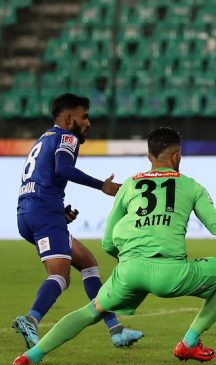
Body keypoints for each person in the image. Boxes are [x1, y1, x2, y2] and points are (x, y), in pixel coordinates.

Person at [12, 127, 216, 365]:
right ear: (177, 156)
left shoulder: (130, 185)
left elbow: (108, 242)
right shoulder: (191, 186)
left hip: (129, 272)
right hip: (172, 274)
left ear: (148, 155)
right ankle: (189, 342)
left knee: (91, 311)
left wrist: (130, 261)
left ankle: (31, 356)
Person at [14, 93, 143, 349]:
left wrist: (59, 213)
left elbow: (43, 178)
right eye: (84, 117)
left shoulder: (44, 138)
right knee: (60, 276)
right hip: (44, 215)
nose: (88, 123)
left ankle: (116, 330)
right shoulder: (67, 137)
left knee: (88, 263)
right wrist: (102, 186)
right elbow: (62, 169)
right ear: (68, 117)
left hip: (28, 213)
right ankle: (31, 319)